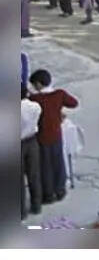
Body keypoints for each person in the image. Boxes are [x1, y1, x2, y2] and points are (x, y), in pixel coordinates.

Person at [27, 68, 78, 204]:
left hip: (41, 137)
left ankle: (48, 195)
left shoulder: (34, 99)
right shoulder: (59, 94)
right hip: (56, 135)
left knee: (44, 167)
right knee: (58, 163)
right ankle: (60, 190)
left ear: (38, 84)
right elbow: (74, 103)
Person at [19, 87, 41, 219]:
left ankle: (21, 212)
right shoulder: (35, 106)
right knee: (34, 175)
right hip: (32, 141)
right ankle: (36, 205)